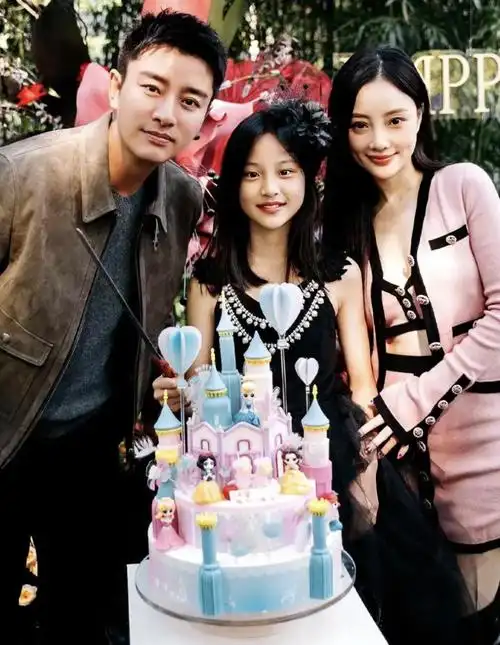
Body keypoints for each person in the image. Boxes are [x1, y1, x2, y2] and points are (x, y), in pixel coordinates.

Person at [0, 10, 226, 645]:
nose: (166, 113)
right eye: (152, 87)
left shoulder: (181, 198)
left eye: (189, 101)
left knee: (84, 621)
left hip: (90, 451)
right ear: (118, 86)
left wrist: (161, 381)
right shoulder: (22, 175)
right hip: (7, 436)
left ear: (203, 117)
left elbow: (146, 312)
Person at [323, 45, 500, 644]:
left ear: (421, 115)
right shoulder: (346, 224)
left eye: (395, 119)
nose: (379, 141)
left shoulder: (463, 186)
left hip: (483, 443)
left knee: (477, 619)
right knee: (417, 623)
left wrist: (413, 403)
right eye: (360, 125)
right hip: (398, 460)